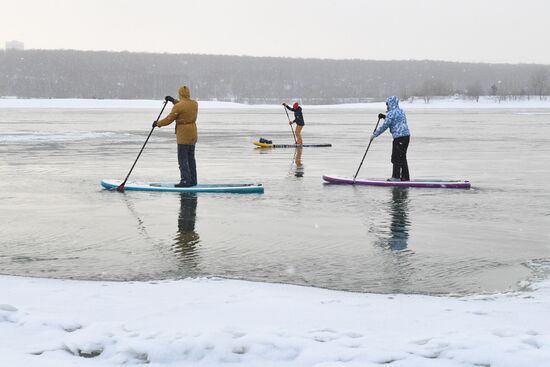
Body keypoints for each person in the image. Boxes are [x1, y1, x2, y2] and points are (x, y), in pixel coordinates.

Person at [153, 86, 199, 187]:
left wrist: (158, 123)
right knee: (191, 158)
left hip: (183, 135)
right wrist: (173, 100)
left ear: (180, 94)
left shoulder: (178, 107)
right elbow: (184, 106)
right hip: (193, 134)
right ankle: (193, 180)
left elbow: (169, 119)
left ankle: (185, 181)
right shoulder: (194, 104)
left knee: (182, 159)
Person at [371, 96, 411, 181]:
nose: (387, 106)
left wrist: (374, 135)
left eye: (387, 104)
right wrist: (384, 117)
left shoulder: (391, 113)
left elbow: (385, 126)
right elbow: (395, 120)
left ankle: (396, 177)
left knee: (396, 157)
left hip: (399, 138)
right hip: (406, 137)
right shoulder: (401, 111)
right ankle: (405, 177)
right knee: (402, 157)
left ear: (390, 103)